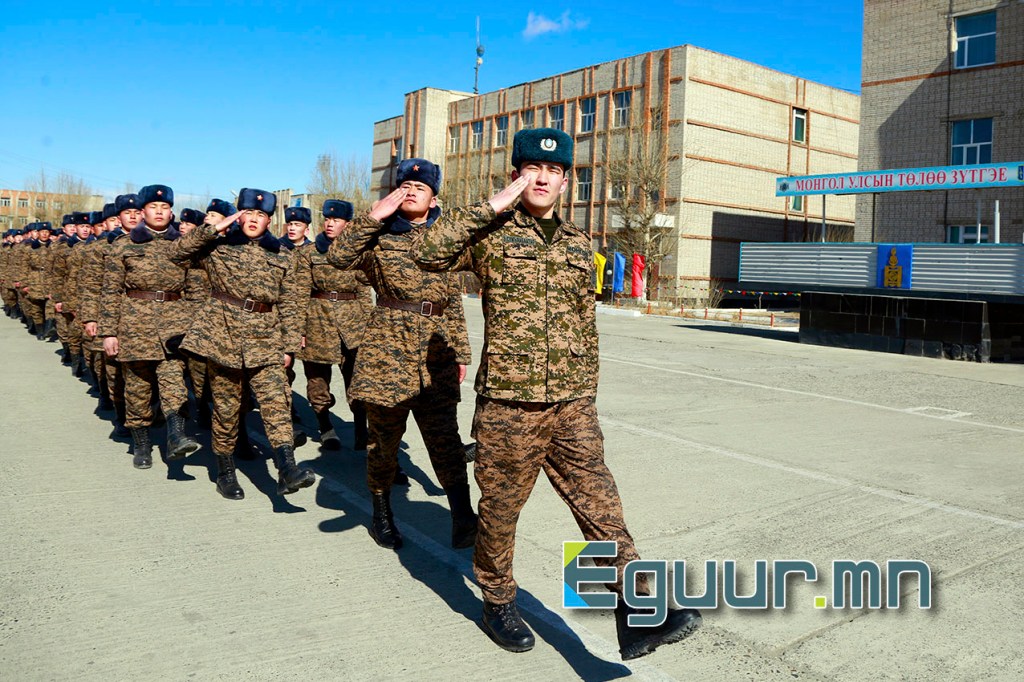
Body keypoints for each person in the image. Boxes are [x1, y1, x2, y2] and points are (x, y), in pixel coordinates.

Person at [411, 128, 702, 659]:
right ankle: (497, 599)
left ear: (566, 180)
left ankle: (637, 613)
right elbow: (426, 251)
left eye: (552, 172)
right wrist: (494, 204)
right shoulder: (489, 235)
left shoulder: (576, 243)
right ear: (516, 175)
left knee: (603, 508)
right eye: (529, 170)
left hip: (571, 404)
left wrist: (587, 389)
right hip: (509, 405)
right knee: (500, 511)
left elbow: (581, 322)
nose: (541, 178)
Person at [326, 158, 476, 551]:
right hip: (386, 350)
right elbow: (337, 257)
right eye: (405, 186)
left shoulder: (446, 236)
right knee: (384, 443)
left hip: (435, 352)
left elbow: (454, 298)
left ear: (434, 196)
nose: (411, 192)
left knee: (444, 438)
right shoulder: (376, 237)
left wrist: (460, 350)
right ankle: (382, 514)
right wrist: (373, 216)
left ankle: (463, 516)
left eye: (420, 188)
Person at [173, 188, 315, 500]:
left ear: (269, 220)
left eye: (261, 215)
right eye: (249, 213)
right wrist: (214, 229)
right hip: (222, 336)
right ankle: (225, 472)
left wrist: (289, 347)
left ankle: (287, 468)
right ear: (240, 215)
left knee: (278, 403)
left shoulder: (282, 255)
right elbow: (178, 253)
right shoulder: (218, 246)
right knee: (226, 410)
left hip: (265, 339)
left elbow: (291, 304)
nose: (254, 220)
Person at [100, 185, 201, 469]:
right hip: (134, 325)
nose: (159, 212)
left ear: (172, 212)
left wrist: (191, 326)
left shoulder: (182, 246)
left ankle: (176, 436)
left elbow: (195, 291)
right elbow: (110, 291)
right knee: (137, 389)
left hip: (173, 325)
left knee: (173, 383)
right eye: (153, 208)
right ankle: (141, 443)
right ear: (143, 212)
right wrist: (109, 332)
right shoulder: (123, 245)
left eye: (165, 208)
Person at [294, 200, 370, 452]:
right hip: (317, 321)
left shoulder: (357, 253)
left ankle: (361, 430)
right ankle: (326, 428)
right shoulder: (308, 253)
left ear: (347, 225)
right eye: (327, 218)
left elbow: (363, 292)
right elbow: (299, 293)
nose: (329, 223)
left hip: (352, 324)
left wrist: (369, 327)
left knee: (357, 381)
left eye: (335, 220)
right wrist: (299, 330)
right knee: (317, 380)